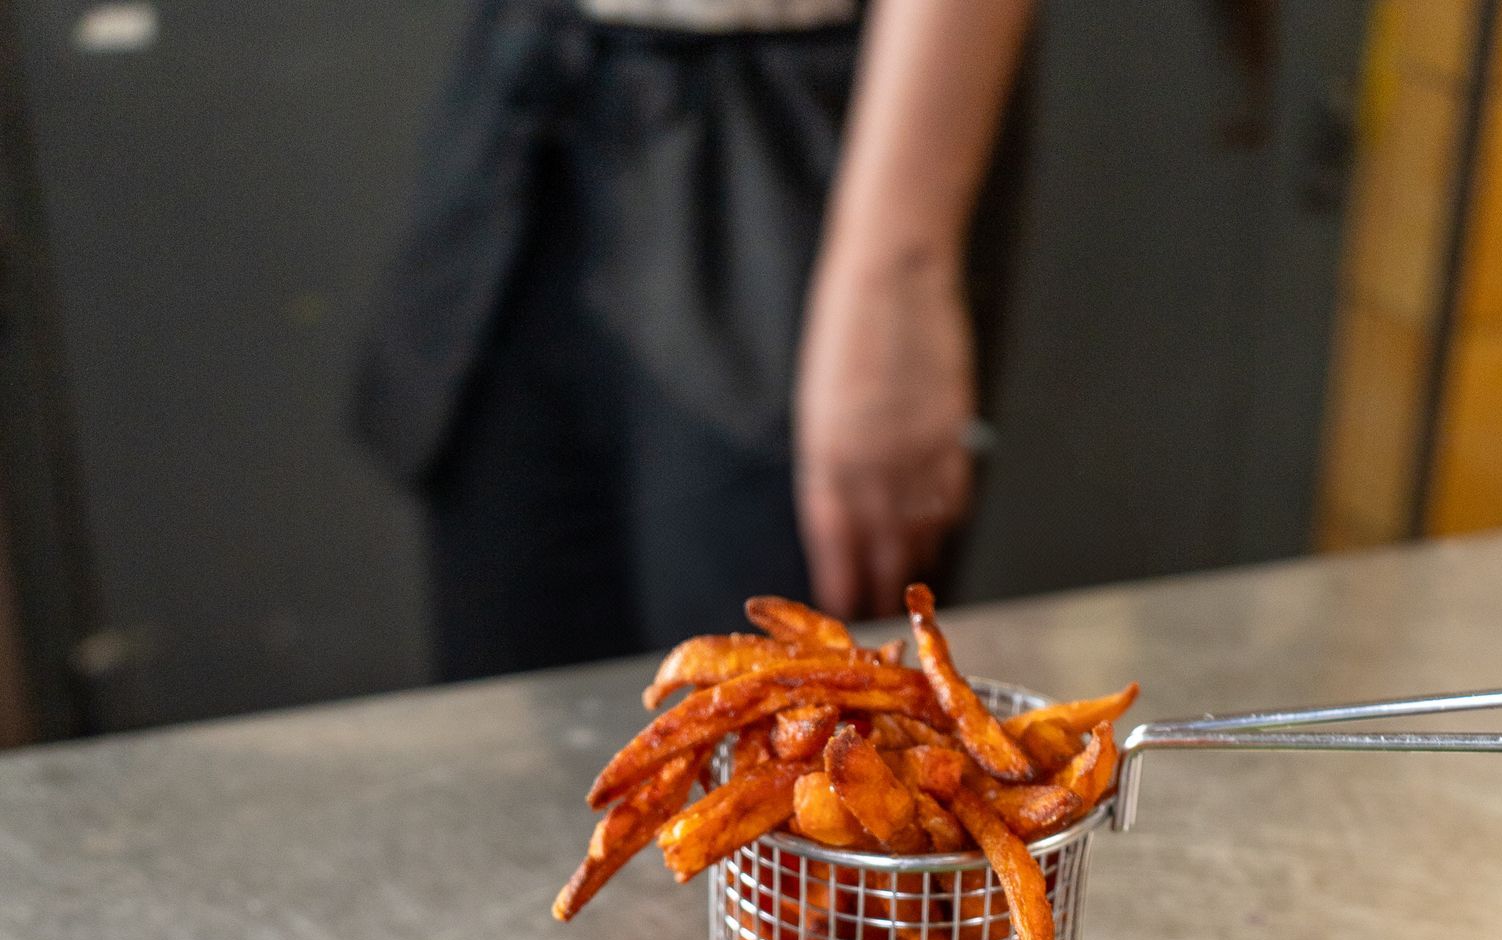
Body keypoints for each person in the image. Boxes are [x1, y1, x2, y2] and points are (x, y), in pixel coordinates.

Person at [355, 0, 1036, 682]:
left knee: (793, 718)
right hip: (532, 95)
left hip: (795, 126)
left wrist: (897, 264)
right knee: (514, 697)